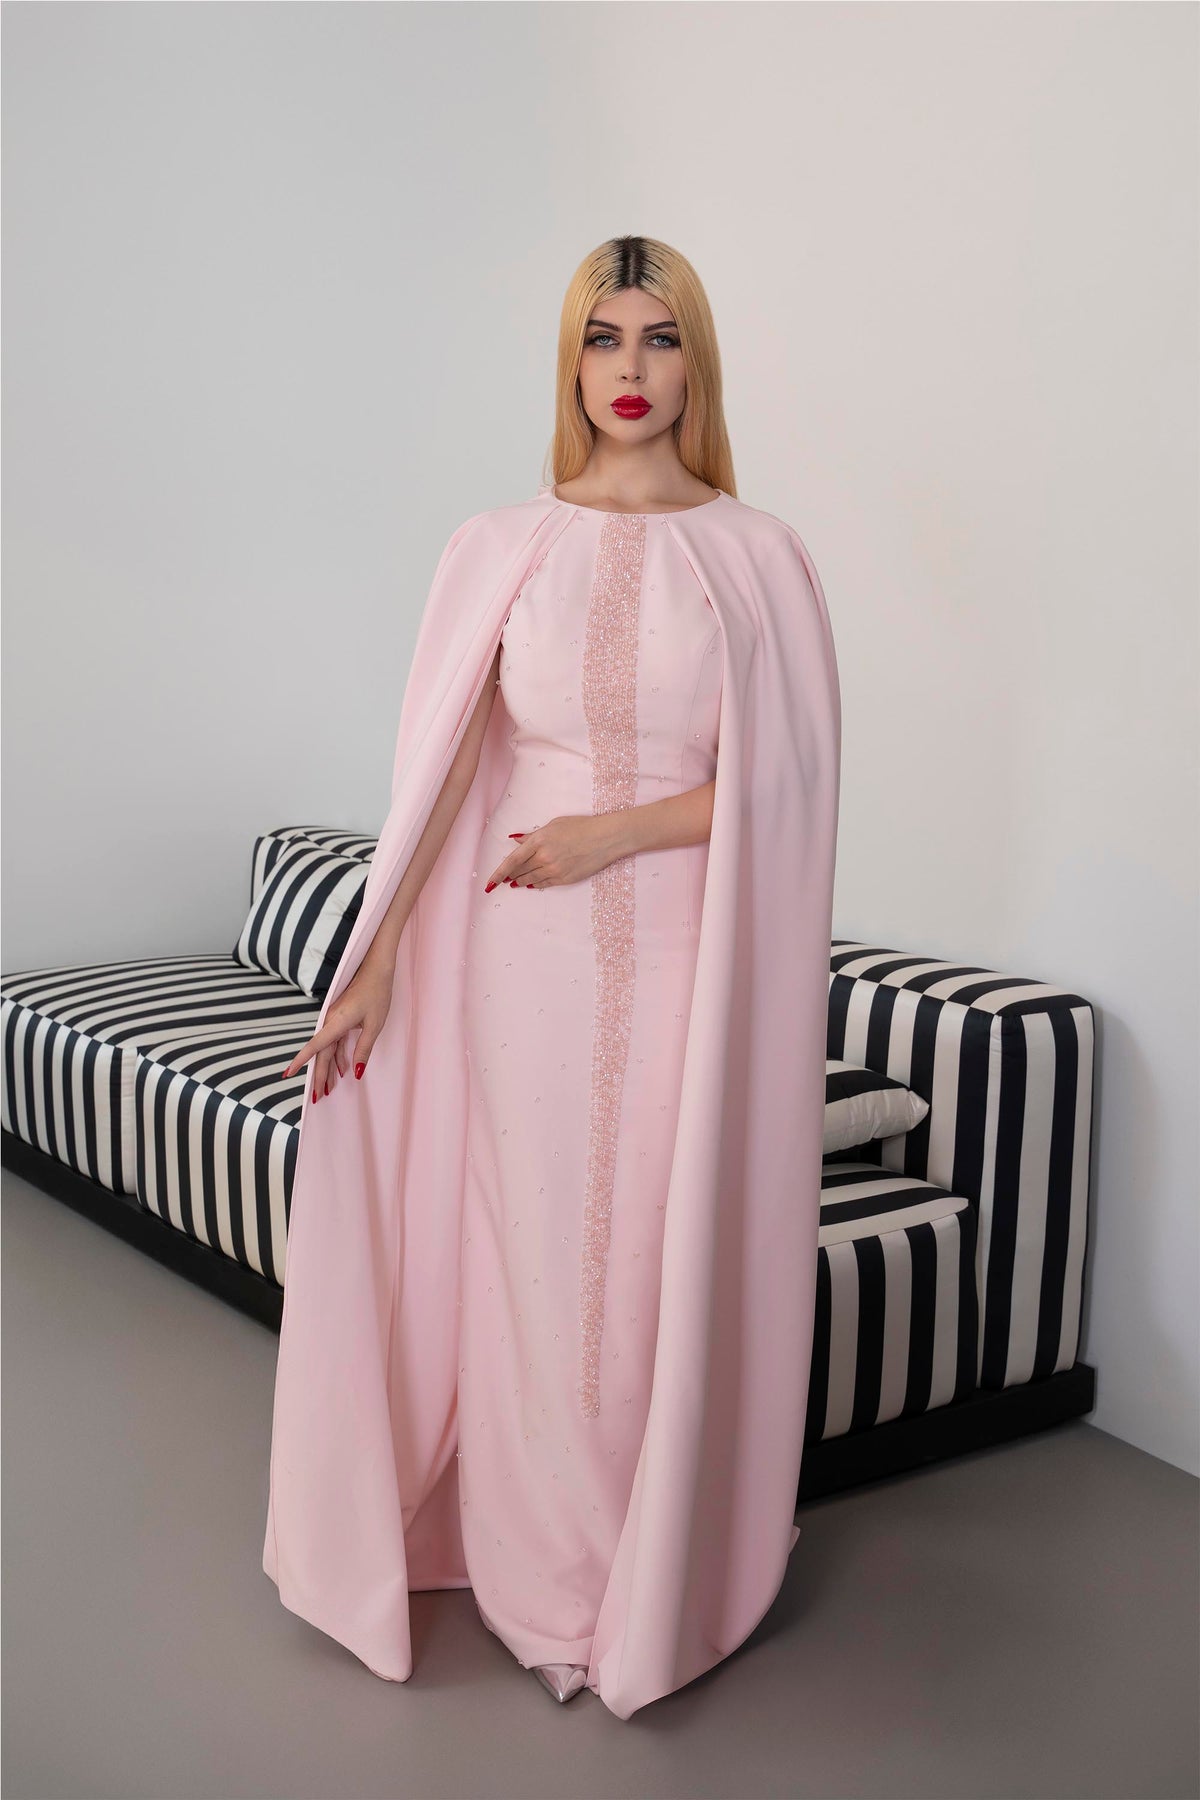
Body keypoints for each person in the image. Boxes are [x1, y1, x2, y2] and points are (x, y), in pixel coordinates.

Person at [263, 234, 841, 1719]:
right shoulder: (498, 547)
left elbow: (786, 785)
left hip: (687, 953)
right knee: (531, 1263)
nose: (631, 371)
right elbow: (448, 773)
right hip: (519, 968)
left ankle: (641, 1573)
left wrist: (612, 834)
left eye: (660, 339)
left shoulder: (760, 556)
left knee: (647, 1260)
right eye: (603, 339)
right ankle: (534, 1579)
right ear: (570, 364)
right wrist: (375, 962)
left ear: (697, 364)